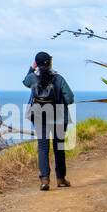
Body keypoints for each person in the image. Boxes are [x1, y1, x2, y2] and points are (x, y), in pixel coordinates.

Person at [23, 51, 74, 191]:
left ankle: (44, 181)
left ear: (37, 64)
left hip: (39, 117)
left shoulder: (32, 78)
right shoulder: (58, 78)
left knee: (43, 148)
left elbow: (25, 81)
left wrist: (32, 67)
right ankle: (61, 179)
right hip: (58, 116)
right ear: (50, 63)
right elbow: (70, 98)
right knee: (59, 147)